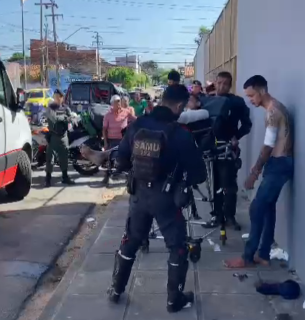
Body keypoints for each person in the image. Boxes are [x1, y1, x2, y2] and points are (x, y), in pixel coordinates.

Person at [107, 84, 207, 313]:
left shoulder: (137, 125)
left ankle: (115, 290)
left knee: (130, 241)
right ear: (180, 106)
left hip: (139, 196)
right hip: (167, 199)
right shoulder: (181, 133)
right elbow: (199, 174)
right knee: (177, 247)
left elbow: (121, 162)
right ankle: (174, 300)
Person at [224, 75, 293, 268]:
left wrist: (254, 172)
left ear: (262, 91)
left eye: (252, 95)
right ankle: (263, 254)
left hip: (279, 164)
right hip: (280, 163)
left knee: (257, 208)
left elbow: (268, 146)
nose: (250, 100)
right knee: (268, 208)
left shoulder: (273, 112)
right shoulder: (277, 108)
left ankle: (247, 257)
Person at [202, 71, 252, 230]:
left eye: (226, 83)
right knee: (213, 184)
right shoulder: (207, 101)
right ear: (215, 83)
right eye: (220, 82)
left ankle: (230, 216)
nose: (222, 86)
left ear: (230, 85)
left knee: (228, 184)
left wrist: (236, 136)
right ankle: (217, 215)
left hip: (228, 148)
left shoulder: (237, 102)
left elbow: (246, 124)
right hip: (210, 148)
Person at [102, 95, 136, 185]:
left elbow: (135, 119)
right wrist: (105, 142)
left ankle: (128, 176)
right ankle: (106, 176)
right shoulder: (107, 115)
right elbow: (104, 129)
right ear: (112, 104)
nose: (119, 103)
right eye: (116, 101)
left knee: (128, 158)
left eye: (119, 101)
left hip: (123, 140)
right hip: (111, 140)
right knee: (109, 160)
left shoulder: (126, 112)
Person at [45, 89, 75, 187]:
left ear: (62, 98)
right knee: (50, 159)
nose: (57, 98)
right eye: (55, 96)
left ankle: (65, 177)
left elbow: (71, 118)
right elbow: (55, 119)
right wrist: (66, 118)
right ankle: (48, 179)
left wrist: (70, 119)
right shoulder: (51, 108)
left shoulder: (66, 108)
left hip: (63, 136)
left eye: (59, 97)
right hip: (53, 136)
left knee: (64, 157)